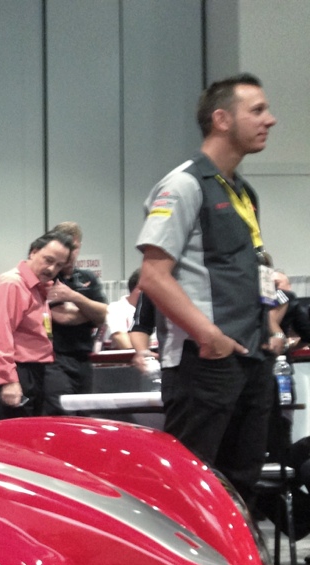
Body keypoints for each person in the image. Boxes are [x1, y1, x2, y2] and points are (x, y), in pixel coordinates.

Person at [136, 73, 278, 503]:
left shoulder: (243, 191)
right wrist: (209, 337)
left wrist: (271, 328)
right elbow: (153, 276)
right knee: (191, 488)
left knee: (240, 484)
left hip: (250, 358)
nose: (270, 120)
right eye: (257, 110)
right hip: (206, 362)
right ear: (222, 119)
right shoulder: (183, 185)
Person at [0, 231, 75, 422]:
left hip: (28, 370)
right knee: (7, 435)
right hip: (11, 371)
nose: (52, 268)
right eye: (48, 260)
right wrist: (8, 380)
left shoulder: (37, 288)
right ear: (33, 252)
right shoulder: (12, 284)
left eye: (59, 265)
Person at [42, 222, 108, 414]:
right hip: (55, 360)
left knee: (85, 416)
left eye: (74, 247)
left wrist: (74, 297)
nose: (71, 253)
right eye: (67, 247)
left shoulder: (88, 278)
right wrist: (91, 312)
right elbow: (63, 317)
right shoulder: (49, 278)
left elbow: (105, 315)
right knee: (62, 414)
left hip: (84, 359)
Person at [102, 268, 143, 351]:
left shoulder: (154, 310)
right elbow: (119, 336)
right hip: (127, 357)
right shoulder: (116, 308)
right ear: (139, 289)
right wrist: (142, 355)